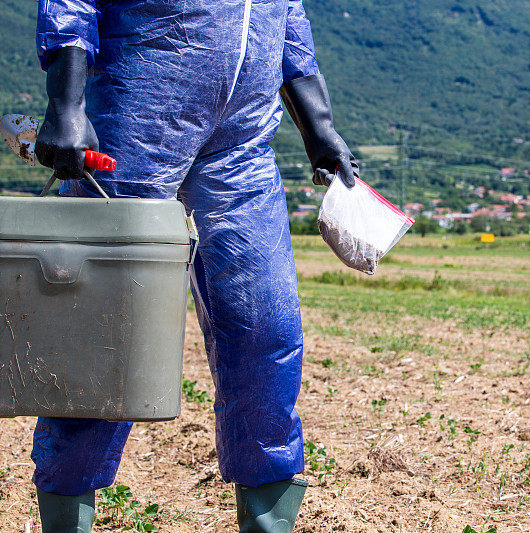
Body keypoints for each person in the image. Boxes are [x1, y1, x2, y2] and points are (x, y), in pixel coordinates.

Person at [31, 1, 358, 531]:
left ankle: (268, 520)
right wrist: (66, 102)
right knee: (103, 331)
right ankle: (68, 517)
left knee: (265, 330)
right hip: (137, 116)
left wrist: (319, 125)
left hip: (244, 143)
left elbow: (286, 15)